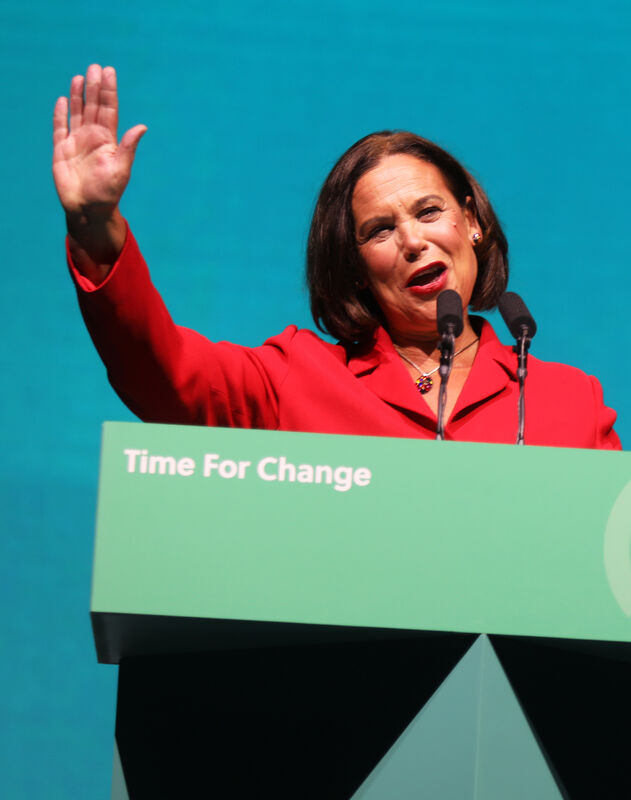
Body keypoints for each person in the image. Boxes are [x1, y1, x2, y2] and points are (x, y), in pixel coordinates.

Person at [53, 65, 621, 449]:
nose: (412, 242)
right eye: (379, 230)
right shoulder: (295, 380)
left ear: (471, 222)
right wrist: (93, 225)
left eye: (428, 212)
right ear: (353, 266)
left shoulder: (570, 403)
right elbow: (164, 373)